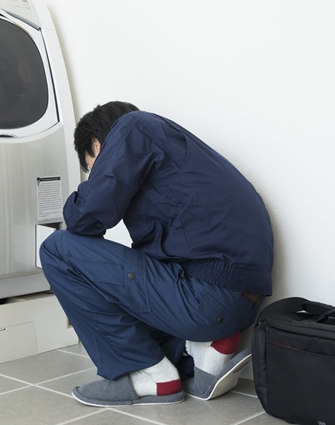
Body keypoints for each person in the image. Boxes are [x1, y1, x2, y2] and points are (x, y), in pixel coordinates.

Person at [39, 102, 273, 407]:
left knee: (56, 248)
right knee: (131, 319)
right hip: (239, 306)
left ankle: (150, 375)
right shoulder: (181, 157)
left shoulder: (133, 127)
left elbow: (84, 219)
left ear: (96, 145)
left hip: (208, 298)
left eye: (92, 166)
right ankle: (203, 349)